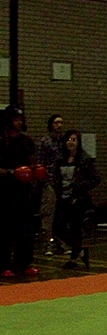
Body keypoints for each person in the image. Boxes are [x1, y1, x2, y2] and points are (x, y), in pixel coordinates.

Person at [0, 105, 40, 277]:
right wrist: (11, 173)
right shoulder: (1, 141)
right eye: (16, 119)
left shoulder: (26, 141)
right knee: (5, 231)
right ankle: (3, 265)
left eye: (20, 119)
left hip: (24, 191)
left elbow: (32, 162)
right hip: (4, 191)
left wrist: (35, 170)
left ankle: (23, 264)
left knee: (26, 230)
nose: (19, 122)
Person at [53, 129, 101, 269]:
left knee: (75, 228)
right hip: (62, 198)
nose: (71, 142)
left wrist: (81, 188)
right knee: (58, 228)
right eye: (69, 139)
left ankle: (73, 259)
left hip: (77, 200)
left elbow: (95, 179)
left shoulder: (84, 160)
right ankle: (79, 249)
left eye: (74, 140)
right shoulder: (60, 160)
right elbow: (56, 178)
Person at [37, 114, 65, 255]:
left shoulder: (65, 141)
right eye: (56, 123)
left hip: (63, 182)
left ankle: (60, 242)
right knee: (48, 213)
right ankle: (47, 243)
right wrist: (42, 181)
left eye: (61, 123)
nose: (59, 125)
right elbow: (40, 162)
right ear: (51, 125)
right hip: (49, 181)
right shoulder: (45, 141)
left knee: (61, 214)